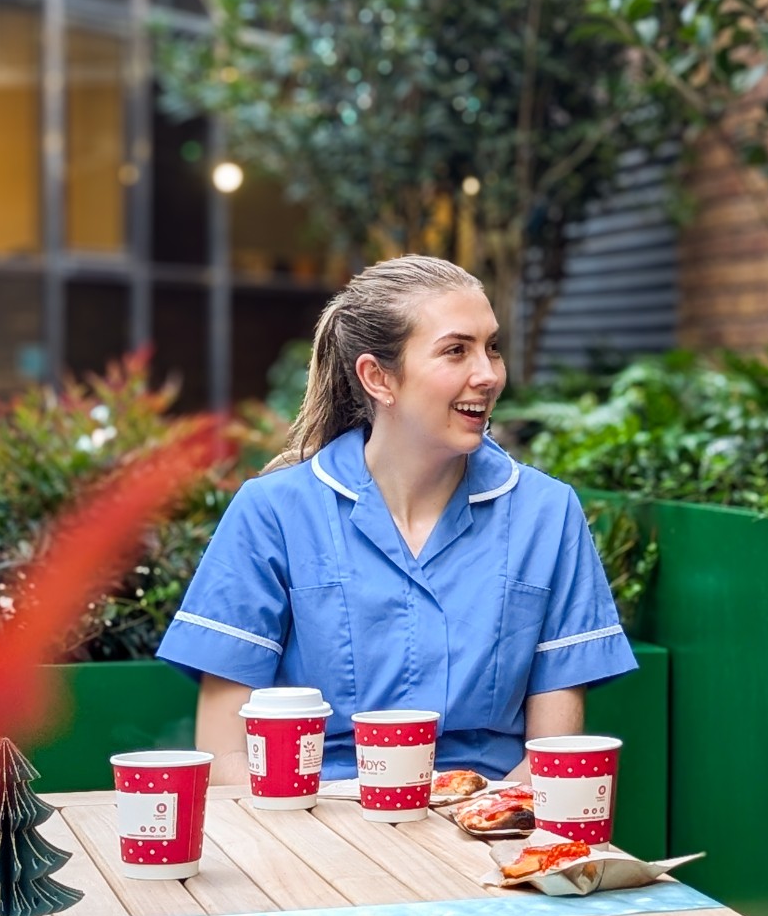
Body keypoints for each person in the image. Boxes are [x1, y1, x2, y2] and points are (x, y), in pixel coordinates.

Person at [159, 255, 636, 785]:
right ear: (378, 378)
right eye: (456, 350)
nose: (489, 374)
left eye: (492, 347)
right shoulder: (272, 512)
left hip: (488, 832)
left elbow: (552, 759)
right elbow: (227, 758)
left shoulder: (547, 513)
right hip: (315, 829)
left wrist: (472, 828)